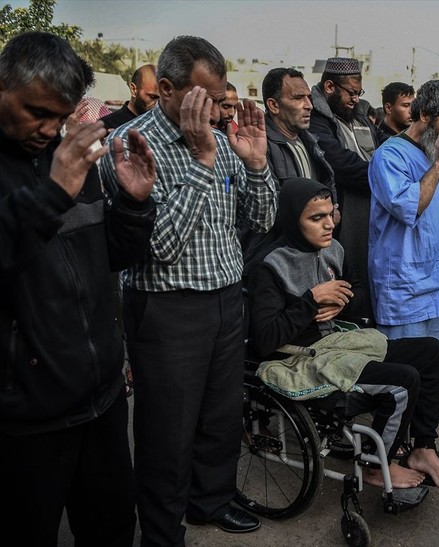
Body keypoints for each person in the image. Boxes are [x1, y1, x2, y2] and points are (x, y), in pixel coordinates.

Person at [99, 35, 278, 545]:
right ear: (169, 88)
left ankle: (210, 501)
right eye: (204, 98)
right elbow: (160, 246)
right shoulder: (132, 146)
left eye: (219, 99)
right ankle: (161, 530)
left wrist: (258, 164)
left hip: (226, 298)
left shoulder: (224, 143)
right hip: (167, 307)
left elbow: (261, 220)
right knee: (166, 432)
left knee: (221, 416)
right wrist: (200, 164)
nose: (214, 110)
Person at [0, 31, 156, 546]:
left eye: (60, 116)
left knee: (112, 529)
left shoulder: (68, 157)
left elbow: (107, 259)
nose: (48, 129)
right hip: (27, 418)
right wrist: (50, 194)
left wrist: (133, 206)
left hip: (102, 399)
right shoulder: (54, 169)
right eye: (36, 111)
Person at [247, 179, 439, 496]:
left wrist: (339, 302)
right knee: (403, 381)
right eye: (316, 218)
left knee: (429, 350)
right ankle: (377, 465)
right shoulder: (271, 266)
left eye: (330, 213)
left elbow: (359, 293)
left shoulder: (334, 249)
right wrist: (311, 300)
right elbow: (264, 341)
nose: (329, 224)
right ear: (293, 219)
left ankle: (423, 447)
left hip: (335, 343)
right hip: (296, 357)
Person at [368, 79, 439, 343]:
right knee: (403, 372)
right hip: (404, 287)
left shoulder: (433, 153)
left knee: (428, 365)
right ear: (424, 114)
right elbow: (412, 206)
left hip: (433, 284)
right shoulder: (390, 155)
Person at [309, 57, 388, 319]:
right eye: (351, 93)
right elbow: (341, 163)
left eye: (359, 93)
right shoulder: (317, 119)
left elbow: (381, 146)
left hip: (369, 213)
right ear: (330, 87)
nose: (355, 99)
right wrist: (387, 180)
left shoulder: (360, 116)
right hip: (343, 218)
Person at [240, 67, 335, 267]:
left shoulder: (310, 143)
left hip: (309, 258)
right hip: (274, 260)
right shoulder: (257, 149)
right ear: (274, 105)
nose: (309, 105)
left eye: (309, 98)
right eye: (298, 98)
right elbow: (263, 213)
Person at [101, 64, 159, 129]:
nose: (158, 103)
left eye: (163, 98)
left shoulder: (162, 124)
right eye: (153, 97)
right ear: (133, 89)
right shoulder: (107, 126)